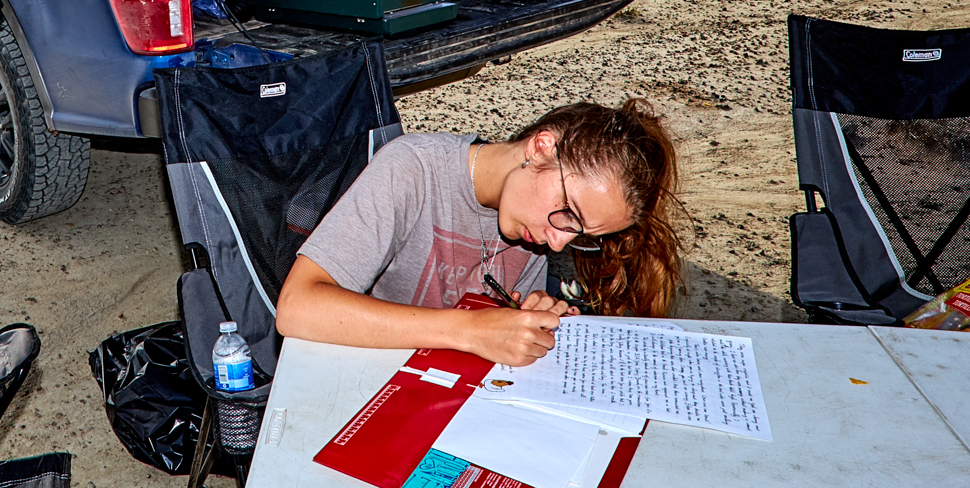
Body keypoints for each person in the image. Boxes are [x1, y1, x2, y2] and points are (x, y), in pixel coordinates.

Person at [276, 99, 682, 366]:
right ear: (541, 147)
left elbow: (487, 330)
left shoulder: (531, 222)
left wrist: (525, 318)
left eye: (581, 235)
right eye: (568, 213)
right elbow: (297, 308)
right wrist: (469, 329)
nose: (558, 241)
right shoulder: (412, 169)